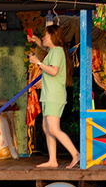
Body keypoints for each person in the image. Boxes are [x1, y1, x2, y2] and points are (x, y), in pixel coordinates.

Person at [28, 21, 80, 168]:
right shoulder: (54, 51)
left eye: (45, 35)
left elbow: (54, 71)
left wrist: (38, 63)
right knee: (47, 127)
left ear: (52, 36)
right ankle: (52, 160)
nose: (43, 38)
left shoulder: (57, 51)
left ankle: (75, 154)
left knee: (54, 128)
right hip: (49, 94)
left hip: (54, 96)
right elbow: (44, 48)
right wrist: (36, 40)